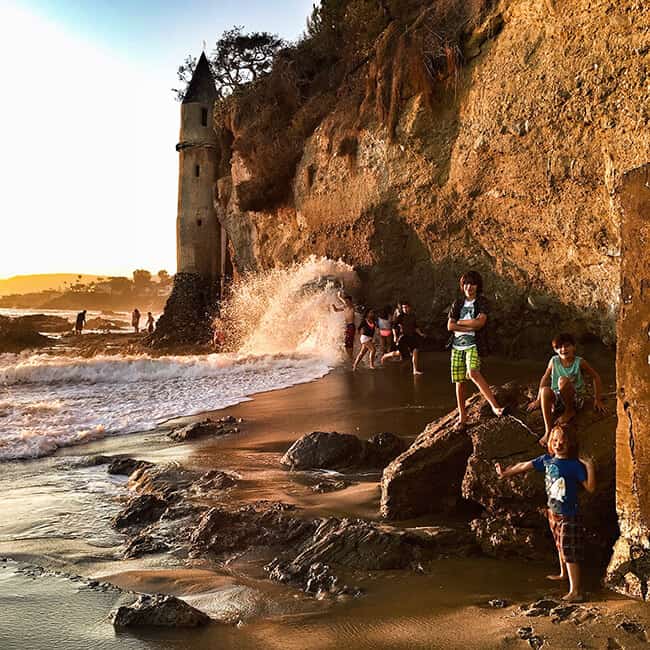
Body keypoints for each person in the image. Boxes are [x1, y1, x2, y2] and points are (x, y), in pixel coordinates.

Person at [495, 426, 596, 602]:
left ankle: (575, 591)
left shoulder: (574, 465)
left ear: (570, 443)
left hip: (569, 514)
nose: (559, 444)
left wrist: (589, 466)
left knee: (569, 550)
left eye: (562, 441)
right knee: (559, 545)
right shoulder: (547, 460)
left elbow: (590, 488)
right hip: (553, 512)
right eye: (555, 440)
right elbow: (525, 465)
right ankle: (563, 573)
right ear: (550, 443)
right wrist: (506, 473)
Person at [447, 270, 504, 431]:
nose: (468, 287)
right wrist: (468, 323)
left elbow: (480, 324)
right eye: (465, 283)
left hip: (474, 344)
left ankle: (495, 407)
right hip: (457, 346)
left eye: (472, 284)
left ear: (478, 286)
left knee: (473, 372)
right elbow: (449, 326)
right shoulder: (457, 303)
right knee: (459, 382)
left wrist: (460, 322)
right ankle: (462, 416)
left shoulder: (482, 302)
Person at [527, 332, 606, 446]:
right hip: (558, 398)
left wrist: (597, 399)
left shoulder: (579, 362)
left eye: (567, 346)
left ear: (574, 347)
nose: (563, 349)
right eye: (559, 347)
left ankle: (569, 411)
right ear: (555, 350)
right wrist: (538, 399)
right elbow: (545, 377)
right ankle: (548, 430)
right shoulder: (554, 361)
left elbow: (596, 377)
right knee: (545, 390)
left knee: (563, 380)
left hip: (575, 398)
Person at [381, 300, 425, 374]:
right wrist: (395, 336)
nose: (405, 309)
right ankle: (386, 355)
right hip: (403, 337)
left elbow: (415, 327)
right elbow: (393, 327)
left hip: (411, 336)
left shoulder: (413, 316)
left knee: (415, 351)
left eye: (406, 307)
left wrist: (420, 333)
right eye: (403, 308)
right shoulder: (400, 316)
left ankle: (415, 370)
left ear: (410, 307)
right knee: (400, 353)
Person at [331, 291, 355, 359]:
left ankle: (351, 356)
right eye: (346, 301)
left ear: (350, 301)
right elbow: (336, 310)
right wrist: (333, 306)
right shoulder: (345, 307)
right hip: (347, 326)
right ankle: (350, 356)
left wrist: (339, 297)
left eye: (347, 301)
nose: (346, 302)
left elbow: (345, 303)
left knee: (350, 342)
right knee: (346, 343)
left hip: (351, 326)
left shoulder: (351, 307)